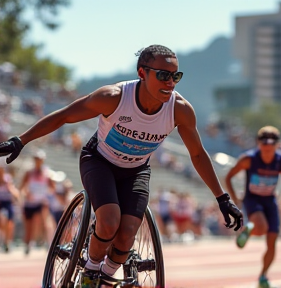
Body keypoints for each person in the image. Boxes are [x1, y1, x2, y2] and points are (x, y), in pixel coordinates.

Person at [0, 44, 242, 286]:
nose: (170, 83)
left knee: (126, 235)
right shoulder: (113, 97)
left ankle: (106, 275)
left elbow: (198, 154)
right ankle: (90, 270)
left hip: (136, 171)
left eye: (175, 76)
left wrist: (222, 198)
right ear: (142, 73)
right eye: (163, 75)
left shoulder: (180, 110)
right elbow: (65, 115)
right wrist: (21, 140)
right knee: (108, 221)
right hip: (99, 161)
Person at [225, 125, 281, 288]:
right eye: (264, 146)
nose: (267, 151)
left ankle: (263, 276)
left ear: (277, 145)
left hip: (270, 201)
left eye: (271, 147)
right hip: (252, 199)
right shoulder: (249, 159)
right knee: (261, 227)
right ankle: (249, 228)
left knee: (272, 240)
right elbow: (229, 177)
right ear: (259, 144)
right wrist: (235, 199)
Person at [19, 149, 55, 254]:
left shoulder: (47, 174)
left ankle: (46, 243)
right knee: (29, 225)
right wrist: (26, 194)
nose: (38, 161)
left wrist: (46, 196)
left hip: (41, 202)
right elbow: (22, 187)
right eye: (36, 159)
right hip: (29, 203)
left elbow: (52, 188)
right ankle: (28, 244)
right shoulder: (29, 173)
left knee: (44, 222)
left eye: (40, 159)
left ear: (43, 160)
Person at [0, 157, 19, 252]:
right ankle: (4, 239)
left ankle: (7, 242)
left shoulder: (8, 179)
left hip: (7, 202)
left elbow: (15, 192)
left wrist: (9, 188)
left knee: (9, 222)